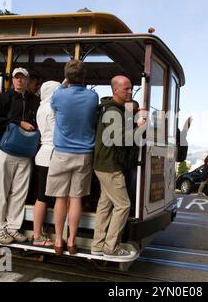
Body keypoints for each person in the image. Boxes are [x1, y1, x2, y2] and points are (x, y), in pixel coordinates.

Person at [46, 60, 98, 255]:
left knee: (60, 198)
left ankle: (58, 241)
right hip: (84, 154)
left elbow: (54, 102)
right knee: (76, 199)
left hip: (61, 153)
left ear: (67, 76)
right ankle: (72, 241)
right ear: (84, 77)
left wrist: (63, 82)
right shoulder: (93, 97)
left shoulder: (59, 94)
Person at [91, 75, 145, 260]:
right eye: (126, 89)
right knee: (123, 205)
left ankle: (98, 245)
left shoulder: (113, 108)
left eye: (131, 88)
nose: (130, 91)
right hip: (110, 165)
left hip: (103, 164)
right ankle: (110, 248)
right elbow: (121, 138)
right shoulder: (112, 111)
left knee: (105, 205)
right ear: (115, 90)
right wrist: (140, 127)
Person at [0, 67, 40, 244]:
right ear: (12, 80)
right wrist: (18, 123)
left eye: (22, 78)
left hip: (25, 151)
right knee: (0, 189)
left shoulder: (35, 100)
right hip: (4, 148)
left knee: (19, 191)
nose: (19, 81)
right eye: (16, 78)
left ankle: (13, 226)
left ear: (27, 80)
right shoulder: (3, 98)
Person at [32, 81, 60, 247]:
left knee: (41, 196)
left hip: (43, 153)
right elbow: (58, 133)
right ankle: (38, 236)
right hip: (51, 155)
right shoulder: (52, 109)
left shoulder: (41, 107)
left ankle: (38, 233)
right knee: (49, 197)